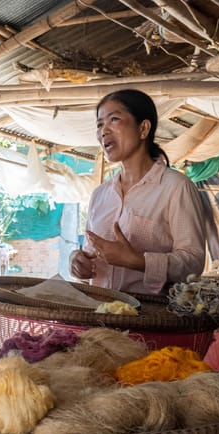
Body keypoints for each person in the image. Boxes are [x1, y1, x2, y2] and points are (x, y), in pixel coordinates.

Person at [69, 89, 206, 295]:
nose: (103, 131)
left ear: (143, 128)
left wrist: (137, 261)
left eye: (113, 119)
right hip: (100, 314)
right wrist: (78, 261)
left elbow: (193, 263)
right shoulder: (100, 195)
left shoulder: (176, 187)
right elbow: (92, 254)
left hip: (151, 318)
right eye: (99, 124)